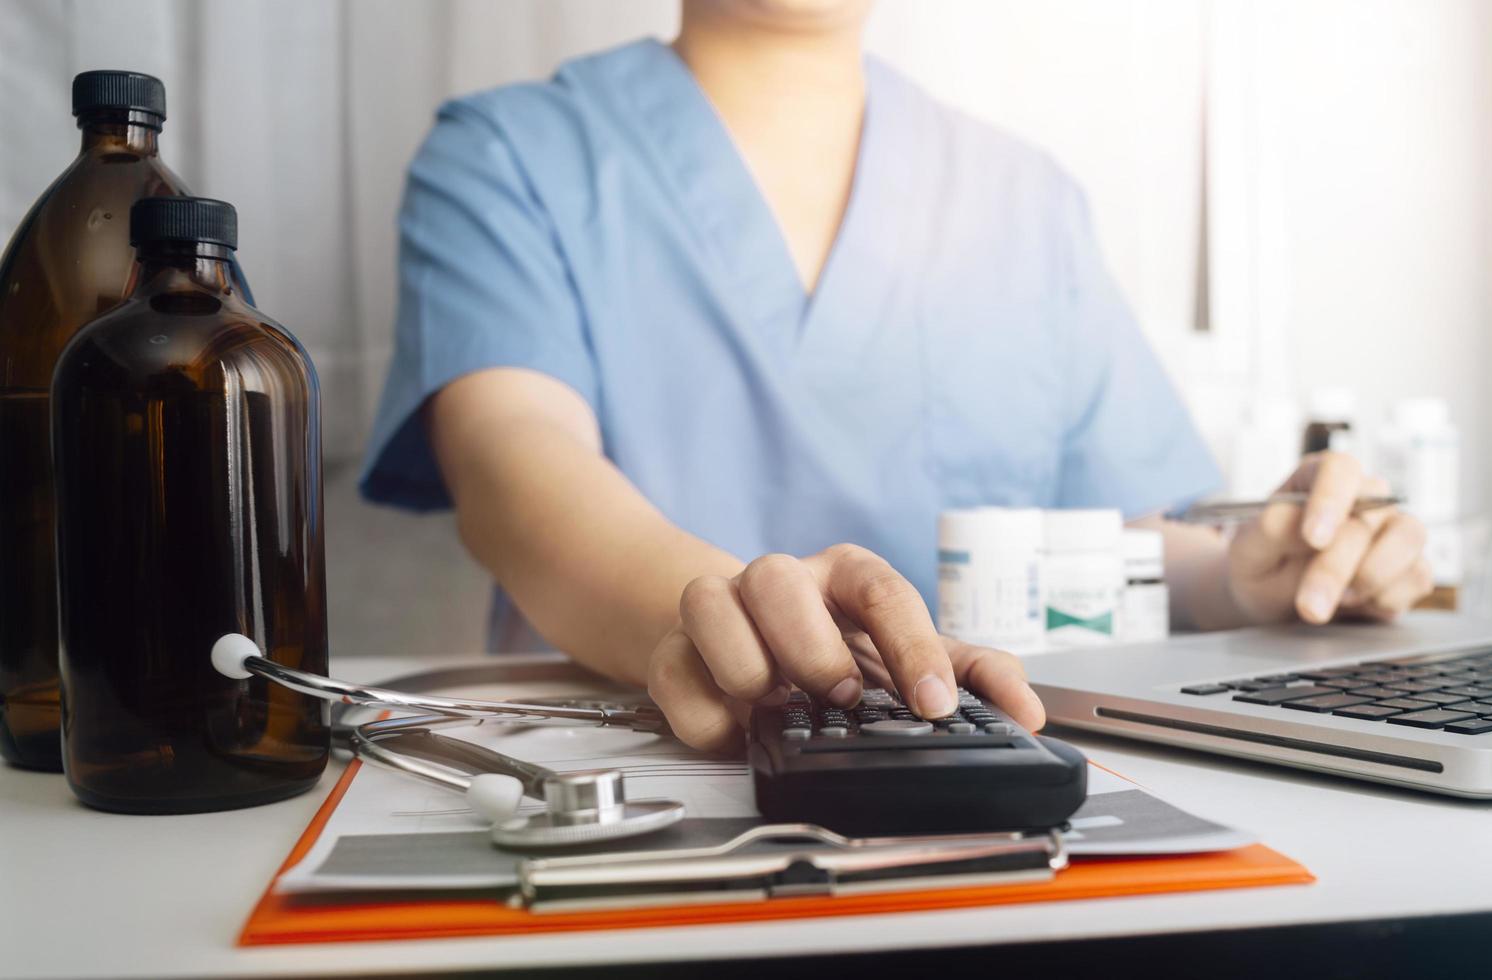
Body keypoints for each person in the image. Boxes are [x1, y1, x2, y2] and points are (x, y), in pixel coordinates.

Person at [361, 0, 1433, 753]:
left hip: (994, 782)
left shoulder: (1025, 199)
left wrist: (1254, 572)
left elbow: (1100, 542)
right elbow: (516, 474)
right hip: (649, 791)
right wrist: (725, 618)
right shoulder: (505, 156)